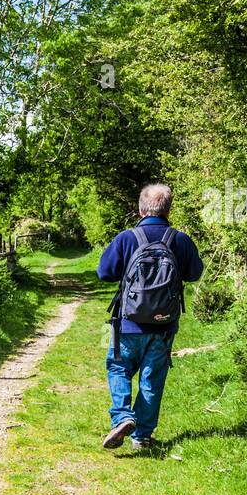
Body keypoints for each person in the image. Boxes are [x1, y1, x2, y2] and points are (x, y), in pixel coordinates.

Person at [97, 183, 203, 450]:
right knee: (152, 378)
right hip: (164, 325)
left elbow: (105, 273)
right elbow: (194, 274)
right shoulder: (180, 239)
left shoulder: (126, 238)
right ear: (168, 209)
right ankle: (142, 437)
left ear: (141, 208)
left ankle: (121, 417)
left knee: (119, 368)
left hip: (128, 324)